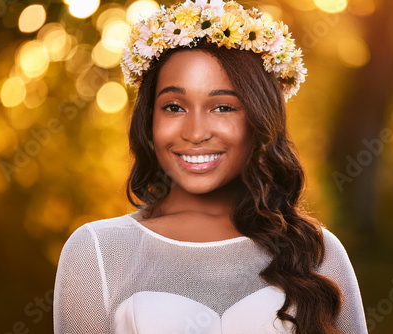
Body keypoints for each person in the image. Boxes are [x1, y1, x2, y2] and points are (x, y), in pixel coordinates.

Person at [53, 0, 368, 333]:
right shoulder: (98, 252)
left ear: (258, 120)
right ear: (149, 120)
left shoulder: (316, 252)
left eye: (222, 107)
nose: (196, 132)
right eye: (174, 107)